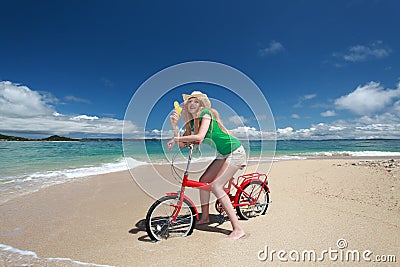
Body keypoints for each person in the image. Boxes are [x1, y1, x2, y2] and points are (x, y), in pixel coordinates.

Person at [167, 91, 247, 240]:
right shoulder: (191, 123)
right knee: (203, 181)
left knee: (216, 186)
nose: (192, 104)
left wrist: (176, 138)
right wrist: (174, 126)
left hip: (235, 151)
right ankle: (205, 217)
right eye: (190, 101)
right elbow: (182, 143)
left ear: (201, 105)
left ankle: (238, 229)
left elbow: (199, 137)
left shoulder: (206, 114)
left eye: (196, 101)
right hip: (223, 154)